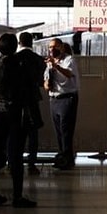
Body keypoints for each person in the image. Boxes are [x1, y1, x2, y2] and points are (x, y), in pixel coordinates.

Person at [0, 33, 37, 208]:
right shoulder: (20, 65)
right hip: (16, 113)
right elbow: (28, 87)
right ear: (15, 47)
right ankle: (17, 196)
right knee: (16, 155)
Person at [44, 38, 80, 170]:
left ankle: (68, 158)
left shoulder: (69, 60)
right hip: (54, 99)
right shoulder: (49, 63)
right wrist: (46, 85)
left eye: (55, 47)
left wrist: (56, 66)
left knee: (66, 130)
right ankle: (62, 156)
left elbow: (69, 74)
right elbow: (46, 80)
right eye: (50, 47)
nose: (52, 49)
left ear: (62, 48)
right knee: (59, 131)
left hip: (67, 98)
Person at [16, 32, 46, 176]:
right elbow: (41, 80)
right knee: (33, 133)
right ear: (31, 42)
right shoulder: (38, 59)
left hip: (16, 101)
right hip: (32, 99)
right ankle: (32, 164)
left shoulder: (13, 59)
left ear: (19, 42)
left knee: (15, 133)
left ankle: (13, 163)